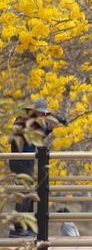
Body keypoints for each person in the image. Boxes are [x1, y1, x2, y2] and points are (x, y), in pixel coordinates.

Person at [8, 98, 66, 238]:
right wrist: (49, 123)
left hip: (26, 161)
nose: (42, 116)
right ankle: (17, 228)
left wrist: (49, 128)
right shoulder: (24, 119)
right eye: (41, 113)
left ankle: (25, 227)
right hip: (20, 160)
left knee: (28, 194)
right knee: (26, 194)